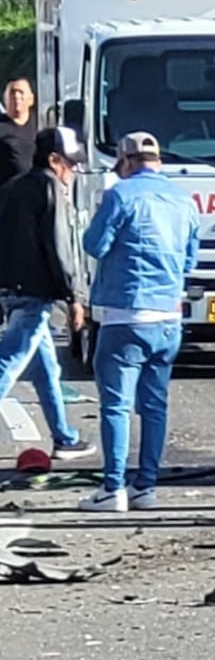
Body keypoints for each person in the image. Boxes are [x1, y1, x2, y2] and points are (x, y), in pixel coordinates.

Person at [79, 132, 200, 512]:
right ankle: (146, 486)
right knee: (154, 405)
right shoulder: (184, 199)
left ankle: (112, 488)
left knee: (115, 405)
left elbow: (93, 245)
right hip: (169, 316)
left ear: (126, 161)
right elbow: (190, 260)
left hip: (126, 312)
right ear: (158, 160)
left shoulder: (120, 194)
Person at [0, 128, 94, 461]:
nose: (75, 171)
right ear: (54, 160)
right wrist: (73, 296)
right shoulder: (50, 188)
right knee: (7, 364)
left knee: (46, 368)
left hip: (11, 288)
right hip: (35, 292)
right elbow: (59, 247)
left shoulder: (12, 188)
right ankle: (64, 437)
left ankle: (65, 438)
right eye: (71, 163)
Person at [0, 78, 38, 191]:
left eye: (21, 93)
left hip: (36, 193)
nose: (16, 97)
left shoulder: (41, 123)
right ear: (5, 100)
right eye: (12, 93)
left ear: (31, 99)